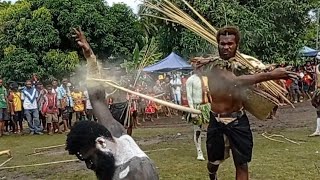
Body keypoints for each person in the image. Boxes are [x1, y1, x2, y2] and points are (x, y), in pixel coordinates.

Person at [193, 26, 297, 180]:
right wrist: (271, 75)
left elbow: (255, 75)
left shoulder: (245, 65)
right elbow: (235, 82)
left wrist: (272, 73)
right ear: (218, 45)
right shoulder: (213, 66)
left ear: (237, 45)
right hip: (217, 120)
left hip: (239, 120)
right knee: (213, 162)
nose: (226, 47)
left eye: (230, 44)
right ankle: (212, 173)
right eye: (223, 44)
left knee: (242, 164)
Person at [186, 67, 211, 161]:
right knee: (197, 130)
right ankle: (199, 152)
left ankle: (211, 149)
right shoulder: (190, 80)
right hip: (197, 107)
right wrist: (192, 110)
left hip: (207, 106)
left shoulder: (206, 78)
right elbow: (189, 96)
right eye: (199, 67)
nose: (201, 69)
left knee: (212, 129)